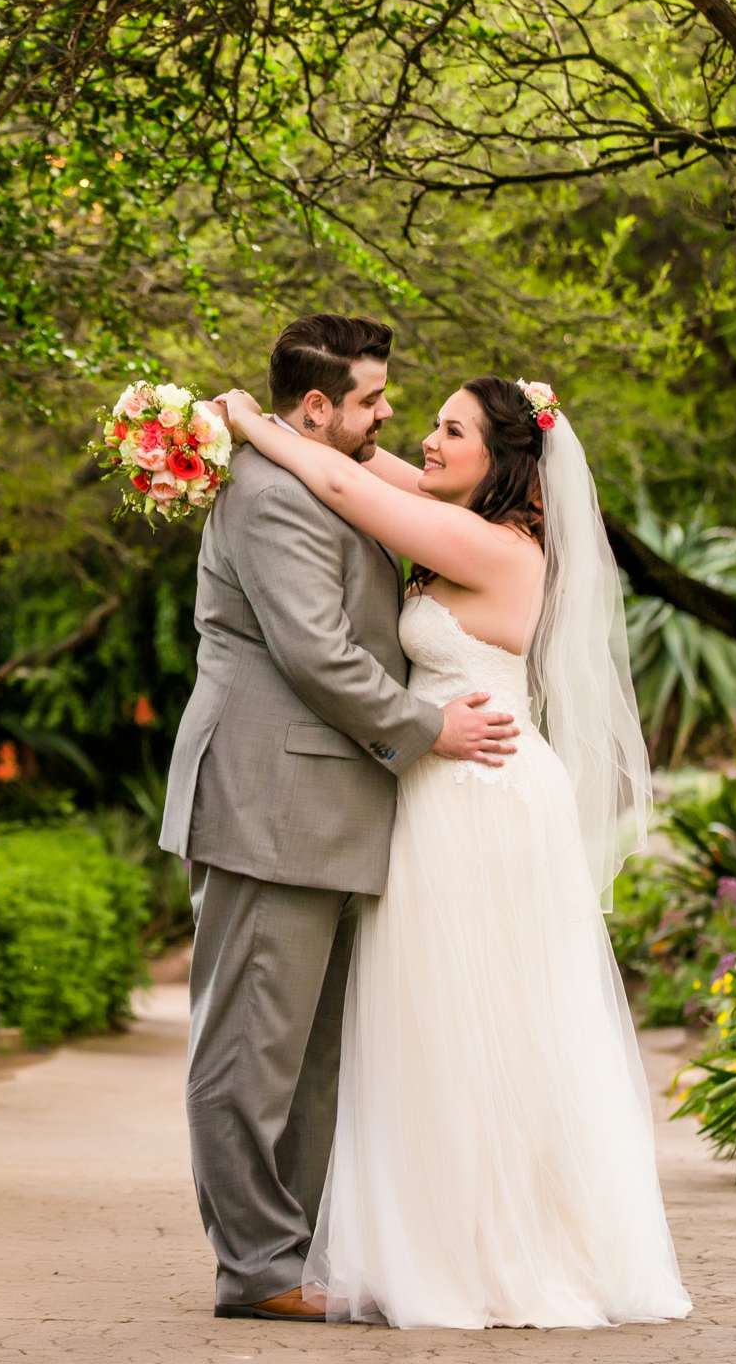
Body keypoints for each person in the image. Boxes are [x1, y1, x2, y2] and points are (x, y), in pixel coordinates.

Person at [212, 369, 693, 1329]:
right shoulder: (461, 519)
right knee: (435, 1028)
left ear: (503, 462)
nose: (426, 441)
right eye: (428, 423)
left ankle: (498, 1254)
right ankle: (447, 1240)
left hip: (484, 800)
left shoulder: (490, 545)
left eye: (452, 431)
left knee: (482, 1027)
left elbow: (348, 485)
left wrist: (246, 422)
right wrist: (304, 431)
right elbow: (366, 463)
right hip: (443, 798)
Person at [158, 314, 521, 1322]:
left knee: (311, 1054)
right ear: (317, 407)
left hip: (327, 809)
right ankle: (257, 1267)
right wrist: (426, 727)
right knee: (249, 1047)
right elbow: (318, 653)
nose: (388, 413)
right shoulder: (273, 496)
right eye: (371, 399)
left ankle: (296, 1254)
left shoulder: (326, 475)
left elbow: (415, 486)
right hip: (270, 802)